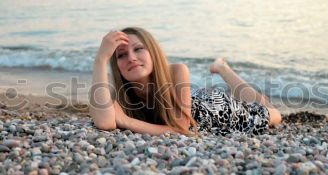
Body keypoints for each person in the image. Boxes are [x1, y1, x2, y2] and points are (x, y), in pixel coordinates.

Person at [89, 27, 282, 136]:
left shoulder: (176, 71)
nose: (131, 57)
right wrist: (100, 59)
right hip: (191, 100)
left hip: (217, 109)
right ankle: (223, 69)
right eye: (121, 55)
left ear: (153, 52)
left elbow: (181, 130)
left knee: (273, 114)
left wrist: (125, 120)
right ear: (116, 65)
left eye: (138, 49)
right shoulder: (116, 93)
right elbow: (105, 123)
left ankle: (222, 68)